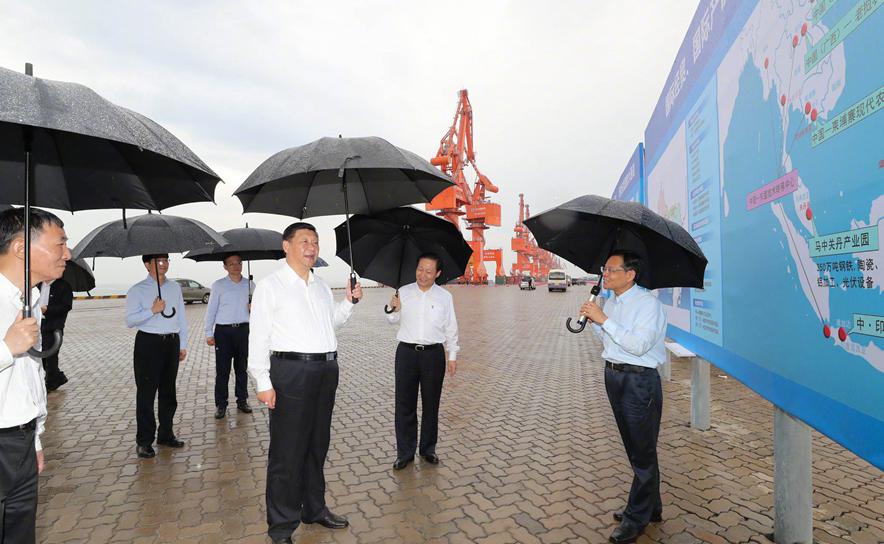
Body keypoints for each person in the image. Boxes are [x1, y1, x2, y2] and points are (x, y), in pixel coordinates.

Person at [248, 222, 362, 544]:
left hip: (326, 371)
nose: (311, 247)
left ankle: (314, 508)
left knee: (316, 446)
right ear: (286, 246)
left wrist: (349, 303)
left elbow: (331, 323)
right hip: (290, 373)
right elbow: (257, 337)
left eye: (315, 242)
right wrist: (262, 381)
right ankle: (282, 526)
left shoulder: (322, 285)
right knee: (287, 452)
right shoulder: (271, 286)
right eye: (304, 241)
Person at [580, 250, 667, 544]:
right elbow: (611, 342)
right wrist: (596, 323)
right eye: (605, 269)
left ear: (630, 275)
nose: (606, 274)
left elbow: (639, 345)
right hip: (614, 376)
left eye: (612, 270)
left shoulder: (648, 305)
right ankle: (651, 506)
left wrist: (604, 319)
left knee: (642, 452)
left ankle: (635, 519)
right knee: (636, 447)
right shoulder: (612, 302)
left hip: (639, 381)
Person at [0, 208, 70, 543]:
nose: (67, 254)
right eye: (60, 244)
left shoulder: (28, 300)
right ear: (20, 249)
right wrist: (5, 348)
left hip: (21, 442)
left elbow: (31, 375)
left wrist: (36, 438)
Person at [385, 253, 459, 471]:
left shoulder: (445, 297)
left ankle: (428, 449)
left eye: (428, 271)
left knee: (431, 405)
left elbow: (451, 327)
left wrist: (452, 354)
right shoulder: (404, 292)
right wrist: (393, 308)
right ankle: (404, 453)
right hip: (406, 354)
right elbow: (391, 320)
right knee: (404, 405)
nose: (422, 274)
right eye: (420, 269)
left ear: (437, 274)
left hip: (433, 356)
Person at [125, 254, 188, 459]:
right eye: (158, 261)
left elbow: (181, 317)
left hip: (171, 342)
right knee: (146, 394)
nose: (163, 264)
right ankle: (144, 441)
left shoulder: (174, 288)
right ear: (147, 264)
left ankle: (166, 434)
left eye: (166, 260)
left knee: (168, 392)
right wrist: (152, 310)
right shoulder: (137, 290)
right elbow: (130, 321)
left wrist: (183, 344)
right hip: (148, 344)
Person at [205, 254, 252, 419]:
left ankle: (242, 400)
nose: (236, 266)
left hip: (243, 331)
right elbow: (211, 310)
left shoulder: (250, 285)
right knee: (222, 371)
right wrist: (208, 332)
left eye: (238, 263)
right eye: (231, 264)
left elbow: (261, 310)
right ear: (225, 267)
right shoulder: (218, 285)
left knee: (242, 369)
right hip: (223, 332)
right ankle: (221, 404)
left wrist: (254, 307)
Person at [39, 278, 73, 391]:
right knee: (42, 355)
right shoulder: (37, 285)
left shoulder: (63, 285)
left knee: (51, 355)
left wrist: (47, 309)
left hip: (54, 326)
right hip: (38, 325)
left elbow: (66, 306)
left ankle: (51, 383)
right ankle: (57, 378)